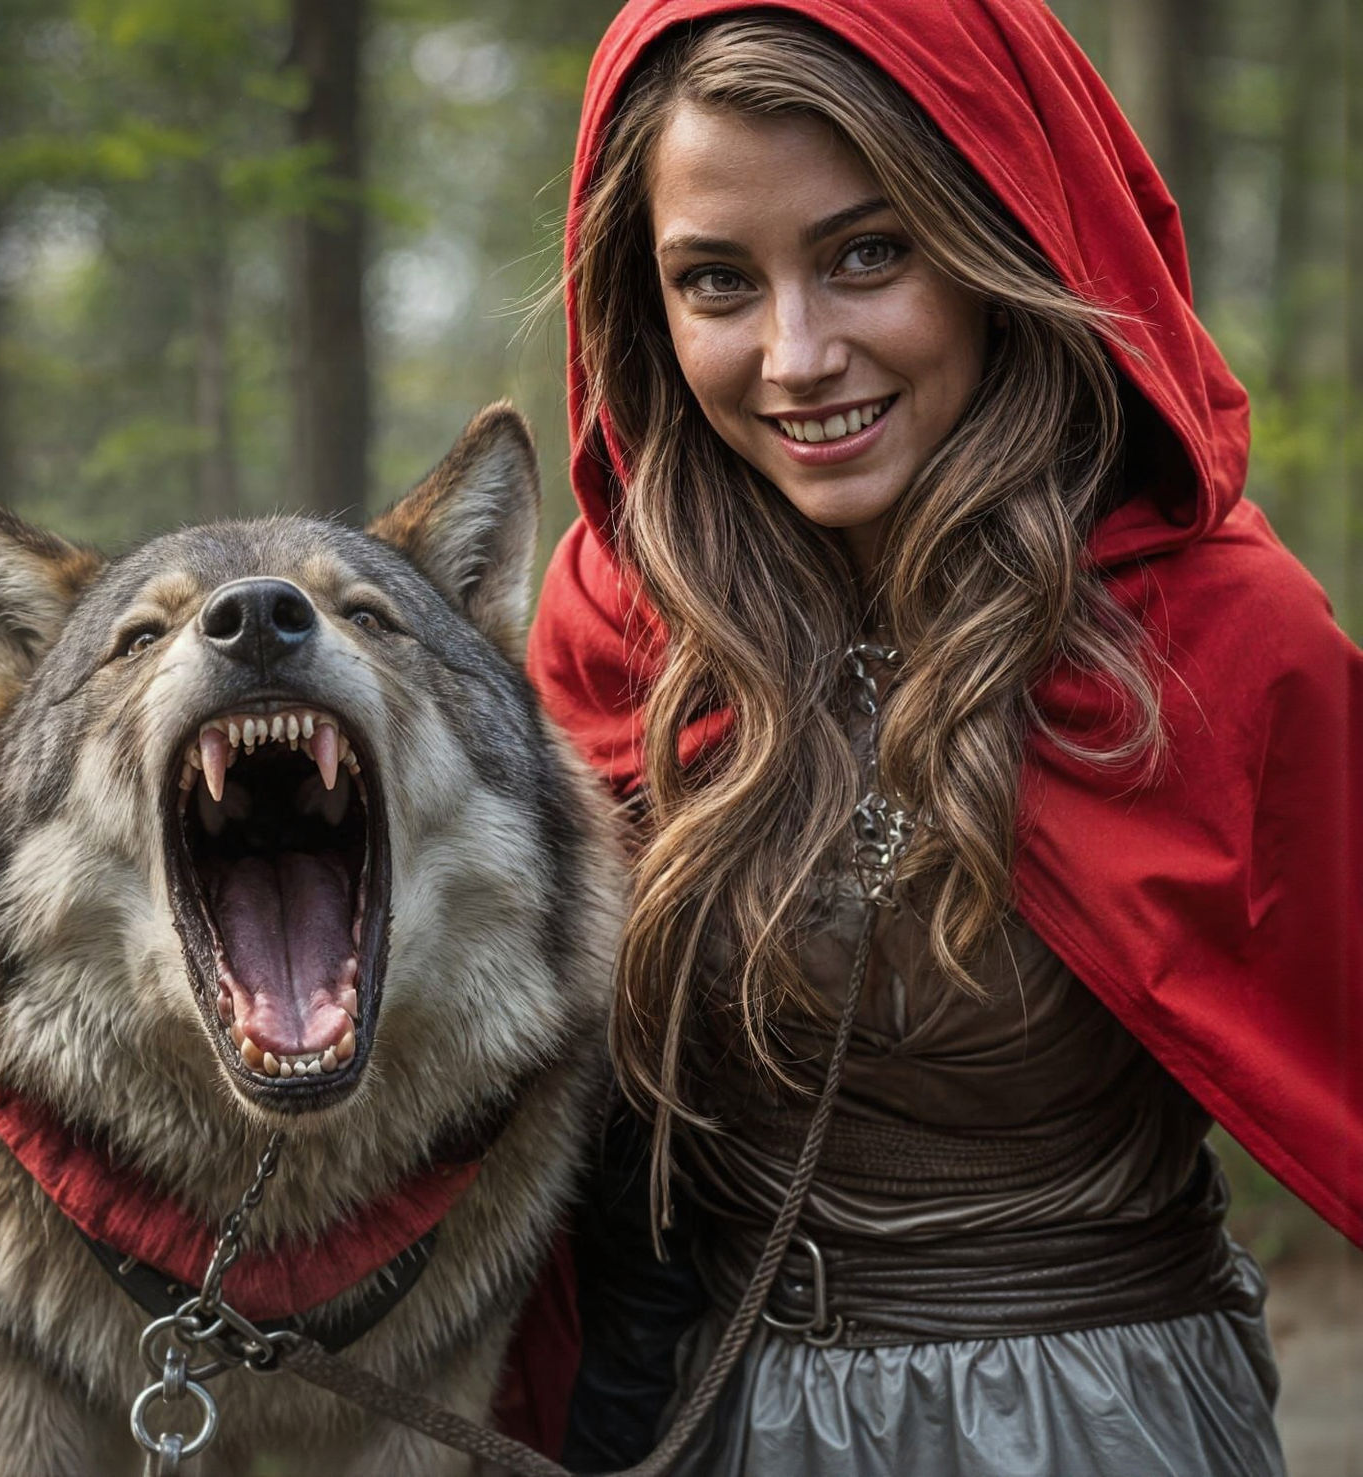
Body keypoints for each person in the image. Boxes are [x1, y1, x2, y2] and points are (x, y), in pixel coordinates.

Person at [525, 2, 1363, 1473]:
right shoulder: (619, 625)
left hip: (1094, 1423)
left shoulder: (1218, 635)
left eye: (868, 253)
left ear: (998, 243)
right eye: (717, 282)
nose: (796, 356)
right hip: (712, 1418)